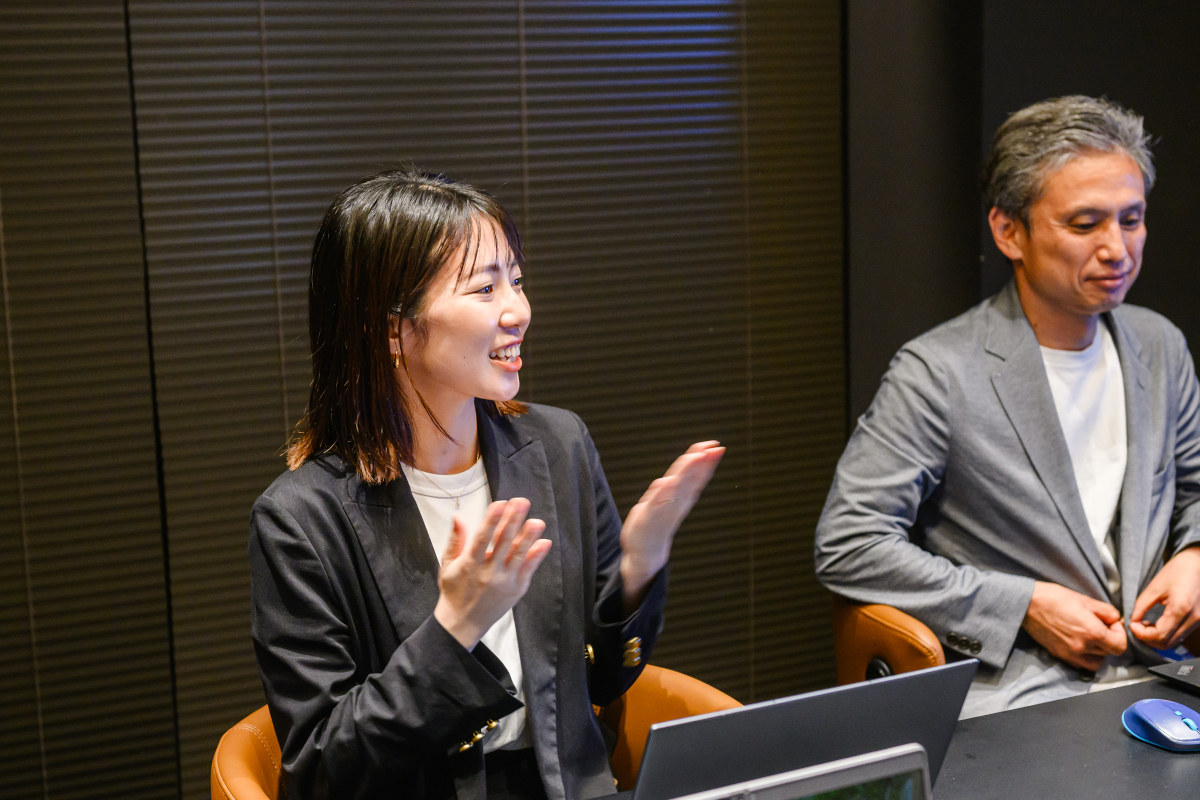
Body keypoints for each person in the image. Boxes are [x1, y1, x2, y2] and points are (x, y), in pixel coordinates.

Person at [248, 166, 724, 800]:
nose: (518, 311)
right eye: (484, 288)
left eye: (517, 281)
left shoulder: (559, 445)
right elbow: (323, 770)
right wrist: (456, 626)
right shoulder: (301, 519)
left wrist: (641, 566)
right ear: (391, 328)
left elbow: (602, 683)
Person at [815, 95, 1200, 717]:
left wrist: (1195, 556)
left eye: (1131, 219)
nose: (1117, 248)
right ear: (1008, 232)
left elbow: (1196, 490)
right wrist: (1023, 605)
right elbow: (850, 544)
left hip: (1163, 673)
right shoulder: (938, 371)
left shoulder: (1158, 345)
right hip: (1023, 692)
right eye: (1085, 224)